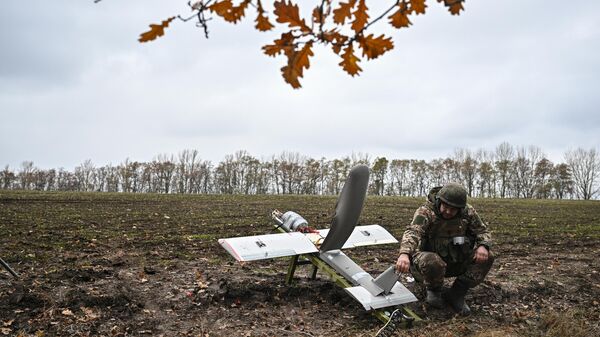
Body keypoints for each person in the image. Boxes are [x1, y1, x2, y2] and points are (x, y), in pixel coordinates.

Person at [395, 182, 494, 315]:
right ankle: (434, 292)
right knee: (432, 261)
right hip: (428, 265)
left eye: (453, 209)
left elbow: (483, 231)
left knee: (489, 256)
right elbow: (413, 232)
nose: (448, 212)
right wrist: (404, 254)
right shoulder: (426, 211)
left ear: (460, 208)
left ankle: (457, 293)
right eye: (445, 207)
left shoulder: (468, 212)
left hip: (455, 259)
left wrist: (483, 246)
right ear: (439, 201)